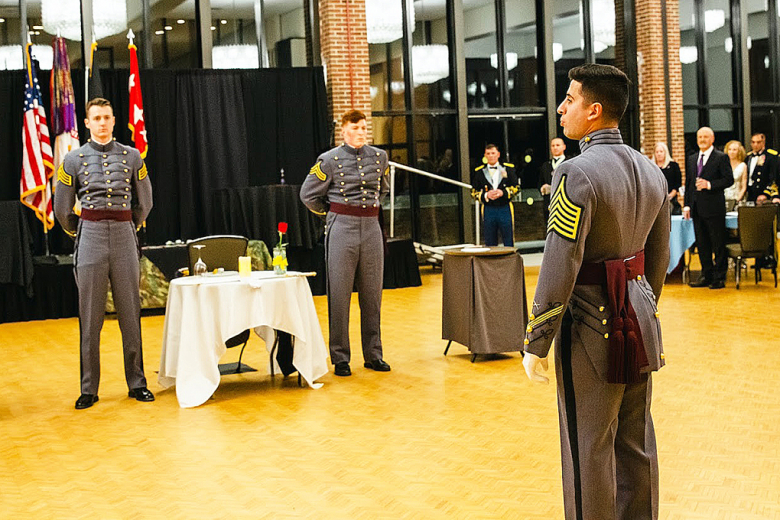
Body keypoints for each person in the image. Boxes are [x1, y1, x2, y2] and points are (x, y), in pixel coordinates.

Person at [522, 64, 670, 520]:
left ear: (595, 111)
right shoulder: (652, 171)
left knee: (588, 448)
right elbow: (658, 260)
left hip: (590, 324)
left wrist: (537, 339)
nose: (562, 108)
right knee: (636, 442)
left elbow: (560, 261)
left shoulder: (575, 172)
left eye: (570, 99)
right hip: (639, 319)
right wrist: (640, 306)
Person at [54, 98, 154, 410]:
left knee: (130, 315)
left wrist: (130, 225)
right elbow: (61, 208)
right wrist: (81, 230)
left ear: (114, 121)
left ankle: (137, 383)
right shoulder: (73, 159)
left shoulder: (133, 156)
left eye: (107, 117)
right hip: (91, 238)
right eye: (96, 118)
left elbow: (145, 201)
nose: (102, 123)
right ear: (86, 123)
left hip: (124, 236)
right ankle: (88, 389)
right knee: (90, 317)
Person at [300, 110, 390, 377]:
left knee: (372, 296)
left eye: (364, 127)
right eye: (356, 128)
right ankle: (340, 357)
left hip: (371, 228)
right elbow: (307, 195)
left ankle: (374, 354)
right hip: (342, 228)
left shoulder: (380, 157)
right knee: (339, 295)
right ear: (344, 132)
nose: (362, 132)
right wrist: (331, 213)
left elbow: (382, 189)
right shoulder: (328, 160)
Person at [683, 127, 732, 289]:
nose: (702, 140)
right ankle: (706, 275)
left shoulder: (721, 157)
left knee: (717, 244)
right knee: (702, 244)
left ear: (712, 139)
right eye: (699, 137)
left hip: (714, 208)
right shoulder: (692, 158)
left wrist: (709, 185)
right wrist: (687, 205)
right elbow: (689, 184)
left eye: (705, 137)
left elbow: (728, 180)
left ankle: (719, 277)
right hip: (696, 209)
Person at [470, 144, 519, 247]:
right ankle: (491, 262)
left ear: (498, 154)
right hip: (489, 208)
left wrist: (503, 193)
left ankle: (509, 261)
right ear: (485, 155)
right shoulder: (479, 172)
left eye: (493, 153)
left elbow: (516, 187)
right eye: (488, 154)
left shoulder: (508, 169)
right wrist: (486, 195)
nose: (491, 156)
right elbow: (473, 191)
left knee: (508, 237)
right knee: (489, 238)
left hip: (504, 207)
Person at [539, 137, 569, 221]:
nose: (555, 147)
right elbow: (540, 183)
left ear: (564, 147)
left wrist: (552, 188)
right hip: (549, 206)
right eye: (553, 146)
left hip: (566, 206)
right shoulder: (545, 165)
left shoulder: (570, 163)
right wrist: (542, 189)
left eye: (558, 145)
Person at [744, 132, 778, 204]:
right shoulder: (748, 157)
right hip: (750, 194)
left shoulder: (771, 156)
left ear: (763, 143)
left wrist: (766, 193)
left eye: (758, 142)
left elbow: (774, 177)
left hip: (764, 194)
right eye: (753, 142)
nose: (755, 145)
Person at [652, 142, 682, 215]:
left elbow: (678, 184)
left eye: (661, 151)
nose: (659, 154)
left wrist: (670, 196)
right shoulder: (651, 167)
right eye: (657, 152)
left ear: (665, 153)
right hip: (655, 201)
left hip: (671, 200)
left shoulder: (674, 166)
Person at [723, 140, 747, 207]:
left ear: (739, 152)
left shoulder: (743, 166)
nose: (731, 152)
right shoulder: (723, 165)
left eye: (734, 150)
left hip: (737, 199)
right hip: (724, 198)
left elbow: (744, 186)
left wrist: (737, 199)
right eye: (729, 149)